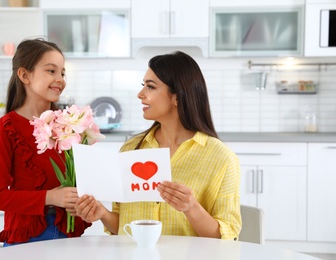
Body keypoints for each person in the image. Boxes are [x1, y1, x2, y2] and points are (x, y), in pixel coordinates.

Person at [74, 51, 242, 240]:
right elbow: (122, 228)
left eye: (150, 87)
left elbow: (227, 238)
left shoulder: (221, 158)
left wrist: (191, 207)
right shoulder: (132, 148)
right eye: (143, 86)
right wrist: (103, 214)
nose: (140, 94)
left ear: (177, 97)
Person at [0, 38, 91, 246]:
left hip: (68, 232)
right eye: (51, 71)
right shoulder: (7, 128)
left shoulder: (68, 123)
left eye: (62, 73)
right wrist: (50, 198)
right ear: (25, 75)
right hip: (27, 236)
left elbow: (79, 179)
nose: (60, 79)